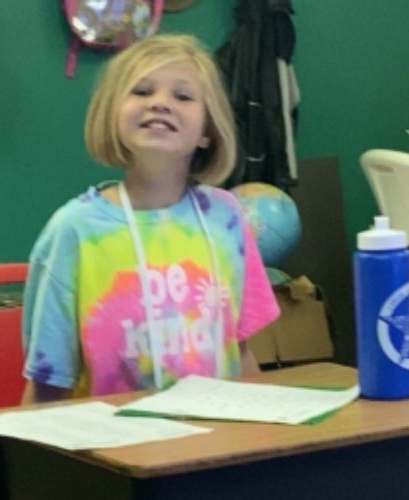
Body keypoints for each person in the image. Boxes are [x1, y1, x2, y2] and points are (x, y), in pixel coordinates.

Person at [21, 34, 280, 404]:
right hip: (111, 449)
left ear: (208, 130)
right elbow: (48, 383)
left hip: (215, 442)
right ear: (112, 114)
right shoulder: (74, 229)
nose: (160, 103)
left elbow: (240, 351)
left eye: (183, 96)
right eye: (141, 91)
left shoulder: (226, 219)